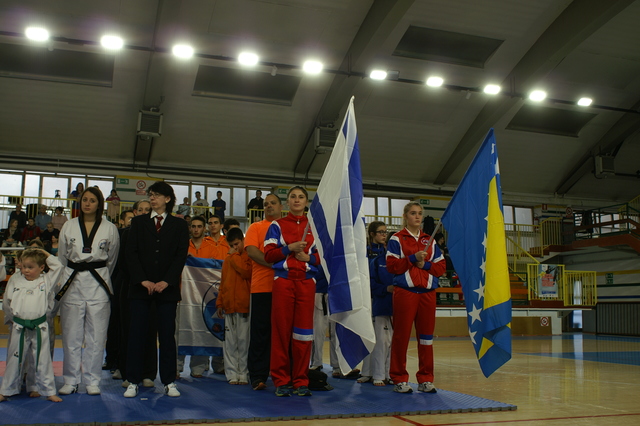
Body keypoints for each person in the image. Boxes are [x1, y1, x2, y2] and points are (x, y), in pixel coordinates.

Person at [124, 182, 189, 398]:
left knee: (167, 336)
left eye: (157, 195)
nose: (152, 198)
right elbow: (131, 253)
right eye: (151, 195)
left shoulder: (179, 225)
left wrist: (167, 281)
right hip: (141, 289)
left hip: (167, 290)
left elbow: (180, 255)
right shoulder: (139, 222)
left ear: (168, 199)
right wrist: (142, 280)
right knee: (137, 335)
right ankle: (133, 380)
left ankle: (169, 381)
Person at [57, 186, 120, 396]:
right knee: (71, 335)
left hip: (98, 283)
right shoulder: (69, 225)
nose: (87, 203)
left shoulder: (109, 228)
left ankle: (93, 380)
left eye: (92, 200)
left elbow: (112, 259)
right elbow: (62, 257)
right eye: (85, 199)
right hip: (72, 282)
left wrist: (99, 273)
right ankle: (71, 380)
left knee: (97, 336)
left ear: (99, 204)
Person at [264, 186, 319, 397]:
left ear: (306, 202)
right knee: (281, 333)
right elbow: (269, 255)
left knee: (304, 335)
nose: (297, 200)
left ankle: (301, 381)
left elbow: (325, 257)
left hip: (306, 283)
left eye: (301, 197)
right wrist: (289, 248)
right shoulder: (277, 226)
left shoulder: (315, 227)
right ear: (287, 202)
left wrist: (309, 258)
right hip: (283, 283)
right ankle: (281, 380)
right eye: (293, 197)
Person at [386, 202, 446, 394]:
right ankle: (399, 378)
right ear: (405, 216)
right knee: (401, 337)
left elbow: (441, 268)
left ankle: (426, 379)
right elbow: (392, 266)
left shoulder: (431, 241)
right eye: (413, 213)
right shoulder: (397, 239)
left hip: (427, 294)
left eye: (420, 213)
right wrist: (412, 258)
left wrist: (425, 265)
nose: (417, 216)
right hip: (405, 293)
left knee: (426, 339)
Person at [0, 248, 64, 403]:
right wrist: (14, 319)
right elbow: (7, 303)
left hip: (39, 326)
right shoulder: (15, 279)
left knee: (42, 360)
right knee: (14, 359)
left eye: (30, 267)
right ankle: (6, 391)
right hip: (19, 326)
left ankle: (48, 391)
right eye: (23, 267)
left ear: (41, 267)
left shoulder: (46, 280)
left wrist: (43, 252)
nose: (26, 270)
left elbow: (58, 266)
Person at [116, 200, 158, 389]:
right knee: (129, 331)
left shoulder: (157, 234)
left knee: (150, 330)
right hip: (131, 286)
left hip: (152, 289)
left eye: (147, 210)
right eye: (140, 210)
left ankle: (148, 373)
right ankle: (128, 373)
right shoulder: (126, 234)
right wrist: (140, 279)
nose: (143, 212)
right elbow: (123, 262)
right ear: (134, 212)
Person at [245, 193, 282, 391]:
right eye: (266, 204)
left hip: (285, 287)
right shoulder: (256, 227)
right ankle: (258, 375)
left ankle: (283, 375)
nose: (269, 206)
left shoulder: (287, 227)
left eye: (273, 203)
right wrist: (277, 263)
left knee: (283, 334)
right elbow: (252, 251)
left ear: (281, 206)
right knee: (260, 333)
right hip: (262, 287)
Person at [177, 215, 220, 378]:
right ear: (190, 228)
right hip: (183, 294)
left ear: (204, 228)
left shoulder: (212, 247)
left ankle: (199, 366)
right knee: (180, 330)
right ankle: (176, 365)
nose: (196, 229)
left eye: (199, 226)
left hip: (203, 296)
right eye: (193, 226)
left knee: (201, 329)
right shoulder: (182, 246)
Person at [359, 221, 394, 386]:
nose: (383, 235)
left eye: (385, 232)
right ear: (372, 234)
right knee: (368, 336)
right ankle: (367, 371)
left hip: (383, 300)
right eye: (380, 232)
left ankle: (384, 372)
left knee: (385, 339)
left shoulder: (388, 256)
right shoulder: (364, 253)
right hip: (367, 297)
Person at [216, 227, 252, 385]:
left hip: (244, 305)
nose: (234, 248)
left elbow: (246, 272)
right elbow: (223, 282)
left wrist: (234, 255)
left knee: (244, 342)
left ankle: (243, 372)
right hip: (229, 305)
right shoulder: (228, 259)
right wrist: (220, 302)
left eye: (237, 244)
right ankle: (231, 373)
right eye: (231, 245)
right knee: (230, 342)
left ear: (243, 241)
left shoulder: (248, 256)